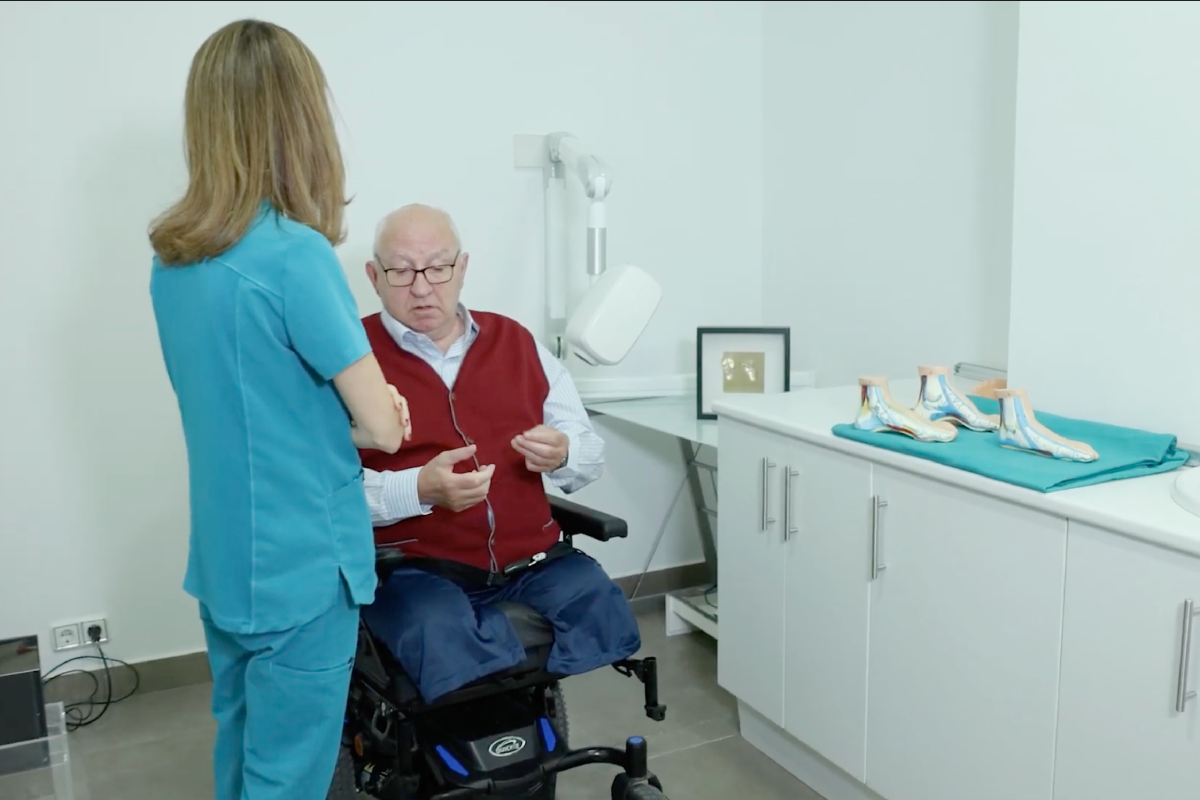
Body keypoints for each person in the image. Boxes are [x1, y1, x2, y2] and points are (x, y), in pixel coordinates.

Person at [147, 20, 412, 800]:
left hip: (227, 557)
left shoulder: (174, 261)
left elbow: (245, 406)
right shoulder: (294, 254)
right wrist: (377, 412)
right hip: (301, 565)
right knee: (289, 775)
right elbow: (383, 427)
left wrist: (340, 414)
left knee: (241, 751)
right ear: (301, 122)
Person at [357, 204, 642, 704]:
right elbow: (324, 492)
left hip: (531, 562)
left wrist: (563, 452)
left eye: (437, 267)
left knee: (599, 602)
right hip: (414, 570)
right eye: (401, 271)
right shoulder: (351, 358)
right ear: (374, 277)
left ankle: (518, 708)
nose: (421, 287)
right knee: (434, 629)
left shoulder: (516, 341)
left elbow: (589, 455)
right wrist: (418, 488)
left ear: (462, 268)